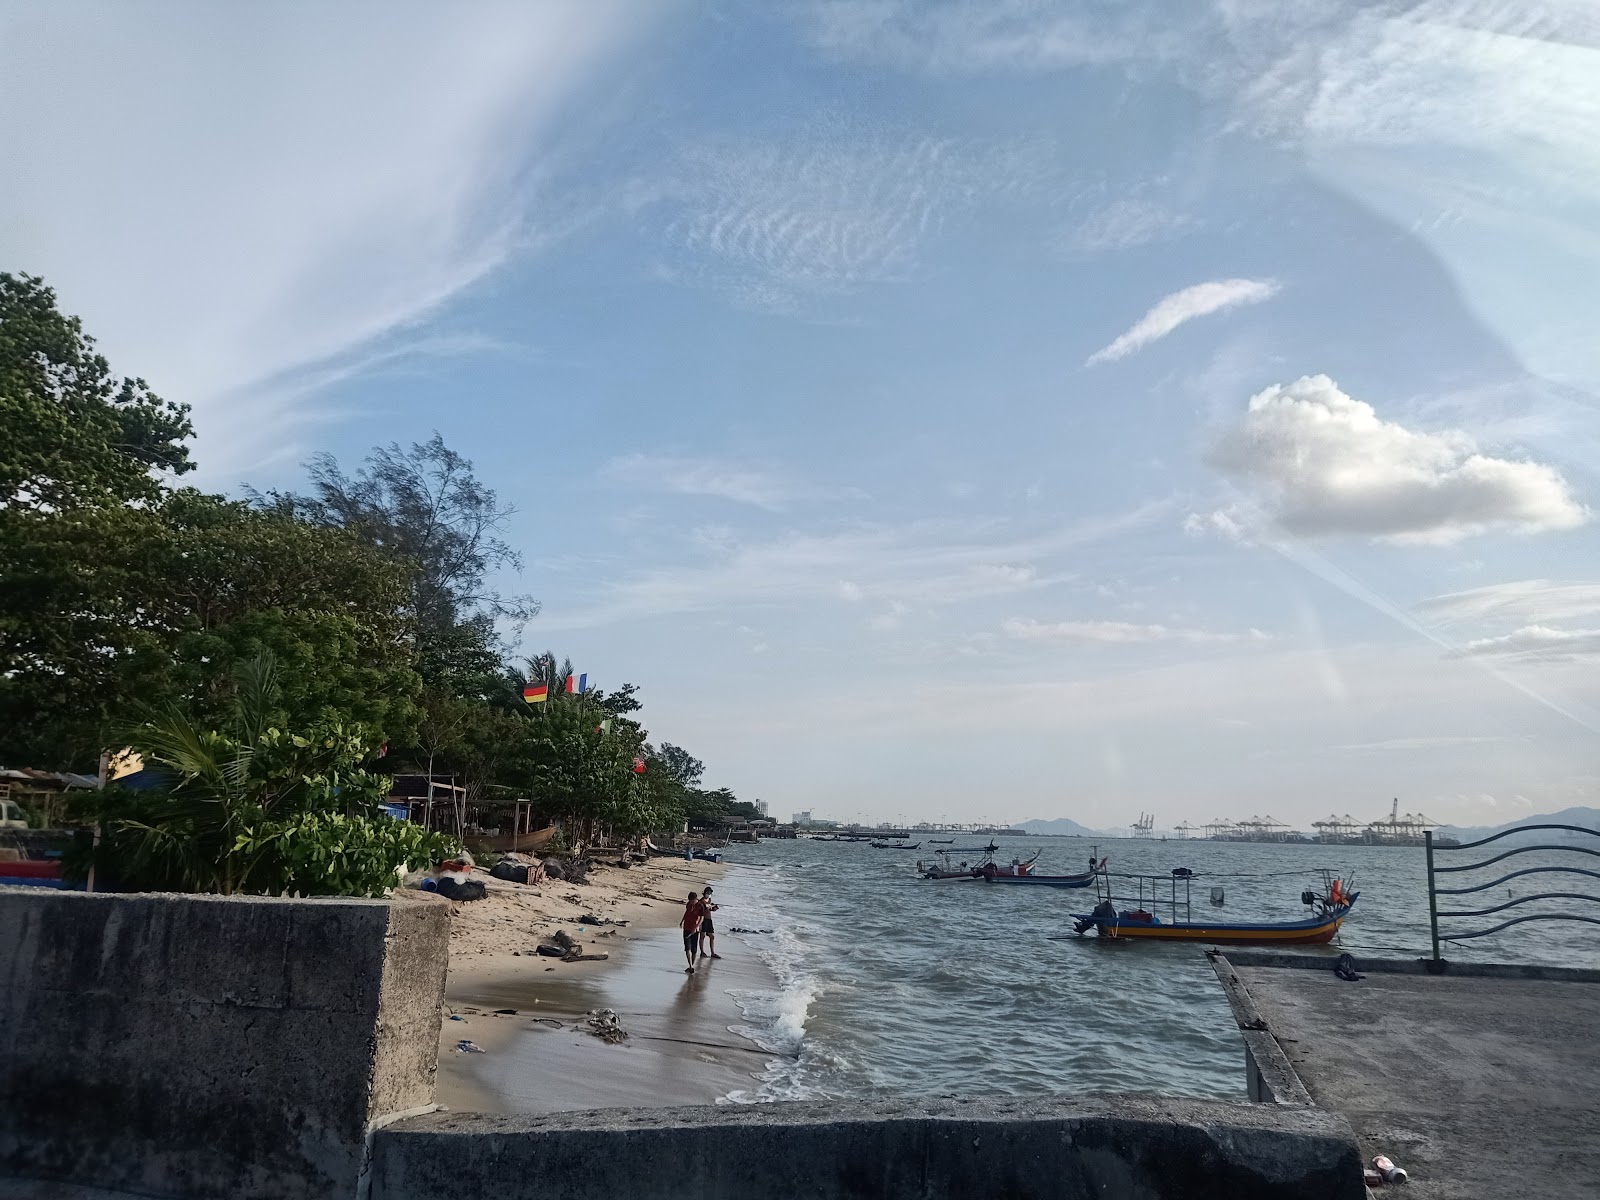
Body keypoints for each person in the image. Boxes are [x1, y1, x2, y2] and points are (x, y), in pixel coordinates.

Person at [680, 891, 706, 973]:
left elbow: (702, 919)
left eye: (692, 901)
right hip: (687, 927)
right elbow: (686, 913)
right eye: (690, 901)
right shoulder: (688, 904)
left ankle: (691, 965)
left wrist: (696, 927)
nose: (691, 902)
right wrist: (682, 921)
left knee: (694, 949)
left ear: (695, 899)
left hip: (695, 929)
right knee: (687, 947)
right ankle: (690, 965)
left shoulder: (700, 906)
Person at [698, 885, 721, 962]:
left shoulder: (709, 900)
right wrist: (699, 924)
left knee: (712, 936)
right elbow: (699, 911)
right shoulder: (701, 901)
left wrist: (714, 908)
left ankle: (712, 952)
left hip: (709, 919)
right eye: (708, 893)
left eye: (710, 893)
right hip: (703, 919)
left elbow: (710, 909)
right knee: (702, 936)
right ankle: (702, 951)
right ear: (704, 893)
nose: (709, 894)